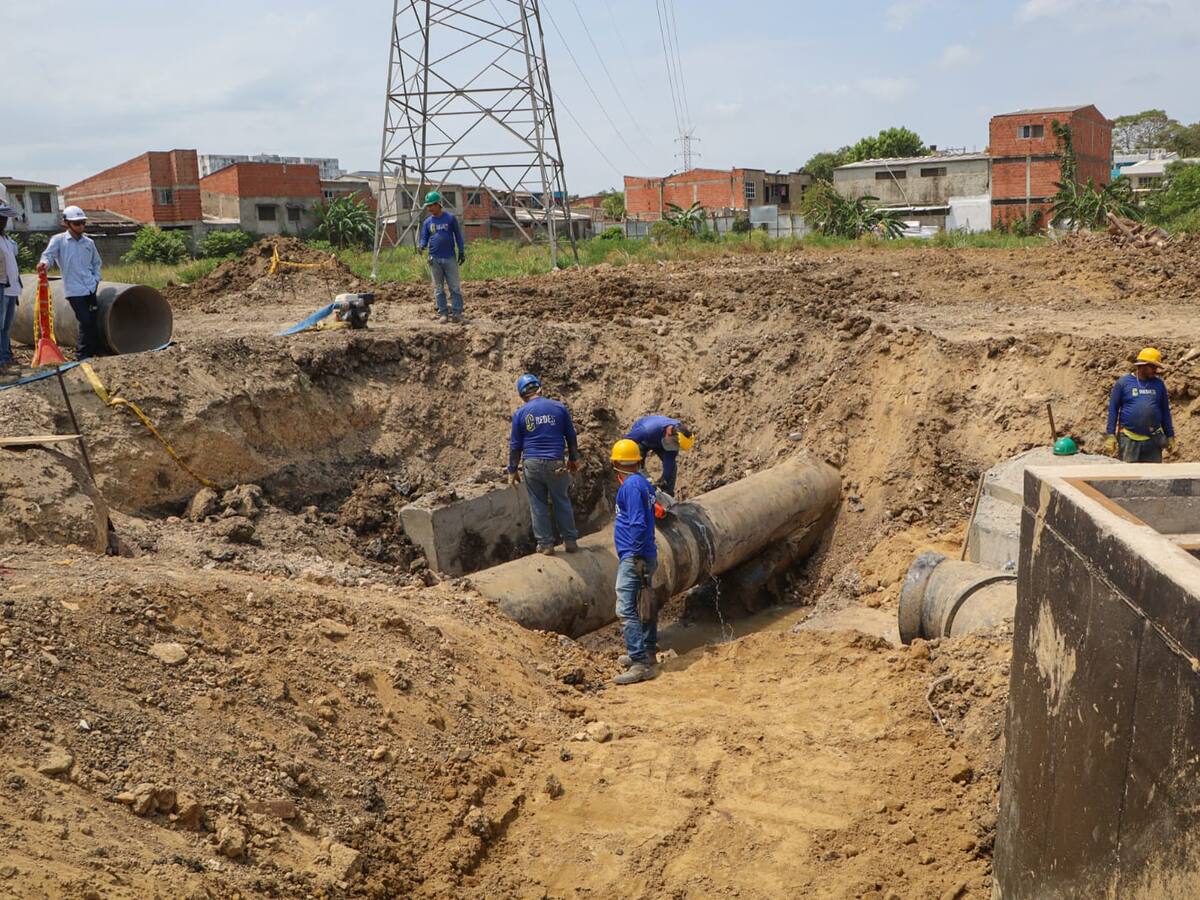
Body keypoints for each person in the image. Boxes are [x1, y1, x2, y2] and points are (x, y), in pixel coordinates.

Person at [507, 373, 580, 555]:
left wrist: (512, 469)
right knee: (561, 500)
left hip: (531, 464)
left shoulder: (520, 414)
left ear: (522, 395)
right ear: (540, 388)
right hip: (556, 463)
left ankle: (546, 545)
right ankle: (570, 542)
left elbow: (515, 445)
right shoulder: (558, 407)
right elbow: (570, 436)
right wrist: (573, 458)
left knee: (538, 503)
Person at [610, 438, 660, 685]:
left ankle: (640, 663)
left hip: (635, 555)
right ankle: (648, 651)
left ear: (617, 463)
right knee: (645, 603)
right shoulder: (643, 483)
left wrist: (636, 556)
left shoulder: (629, 486)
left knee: (626, 608)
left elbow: (638, 523)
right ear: (638, 461)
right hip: (645, 553)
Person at [37, 206, 103, 359]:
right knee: (85, 320)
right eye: (76, 223)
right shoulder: (59, 240)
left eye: (82, 223)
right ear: (66, 223)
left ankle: (93, 349)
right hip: (74, 290)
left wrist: (96, 278)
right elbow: (48, 255)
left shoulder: (89, 242)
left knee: (92, 319)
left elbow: (96, 263)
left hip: (90, 287)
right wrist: (44, 264)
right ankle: (81, 354)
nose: (80, 226)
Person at [1105, 347, 1176, 463]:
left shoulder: (1159, 385)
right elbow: (1113, 409)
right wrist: (1110, 434)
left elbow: (1165, 412)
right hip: (1129, 439)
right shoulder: (1124, 383)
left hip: (1153, 440)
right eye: (1152, 366)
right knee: (1130, 476)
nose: (1155, 370)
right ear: (1141, 365)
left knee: (1153, 477)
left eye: (1156, 367)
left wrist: (1170, 435)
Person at [417, 191, 466, 325]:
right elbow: (424, 237)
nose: (429, 208)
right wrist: (421, 246)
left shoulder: (450, 219)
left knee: (454, 287)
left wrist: (461, 251)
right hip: (434, 259)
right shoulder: (427, 222)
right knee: (438, 288)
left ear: (438, 204)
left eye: (431, 205)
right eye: (428, 206)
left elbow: (458, 236)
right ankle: (443, 313)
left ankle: (457, 313)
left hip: (449, 258)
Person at [624, 415, 695, 496]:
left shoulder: (677, 437)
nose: (675, 447)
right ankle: (641, 492)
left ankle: (668, 496)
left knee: (672, 468)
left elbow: (669, 461)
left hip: (661, 442)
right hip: (642, 440)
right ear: (668, 433)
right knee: (635, 465)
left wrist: (664, 479)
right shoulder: (646, 430)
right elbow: (627, 442)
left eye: (677, 445)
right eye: (674, 444)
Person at [0, 204, 22, 371]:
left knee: (7, 327)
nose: (4, 221)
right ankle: (2, 360)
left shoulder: (8, 240)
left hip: (12, 288)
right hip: (2, 288)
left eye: (5, 219)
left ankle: (6, 356)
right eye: (2, 218)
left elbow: (12, 263)